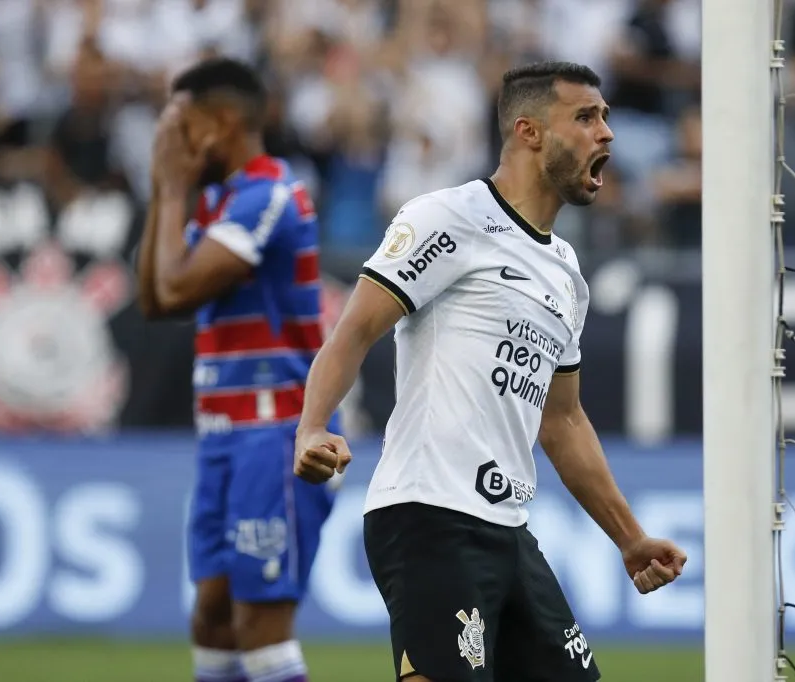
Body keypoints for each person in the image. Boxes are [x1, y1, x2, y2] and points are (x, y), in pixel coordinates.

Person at [293, 61, 687, 682]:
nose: (606, 132)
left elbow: (562, 419)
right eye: (586, 116)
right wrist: (312, 426)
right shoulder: (450, 217)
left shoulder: (565, 272)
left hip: (507, 530)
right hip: (429, 514)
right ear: (529, 131)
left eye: (606, 116)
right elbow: (354, 330)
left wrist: (629, 538)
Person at [135, 57, 338, 682]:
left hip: (274, 438)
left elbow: (175, 289)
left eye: (182, 127)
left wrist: (171, 189)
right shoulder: (221, 203)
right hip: (223, 436)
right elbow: (152, 300)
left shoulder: (268, 195)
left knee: (260, 625)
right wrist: (166, 194)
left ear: (221, 124)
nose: (173, 143)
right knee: (213, 618)